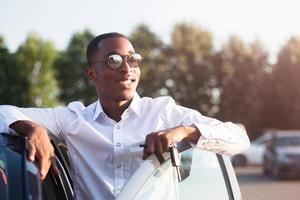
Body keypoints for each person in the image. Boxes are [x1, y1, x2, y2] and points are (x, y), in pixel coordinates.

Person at [0, 32, 249, 199]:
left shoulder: (164, 113)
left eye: (133, 59)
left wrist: (185, 131)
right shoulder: (73, 120)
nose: (127, 68)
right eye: (114, 60)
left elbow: (239, 138)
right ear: (91, 73)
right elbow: (4, 112)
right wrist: (33, 129)